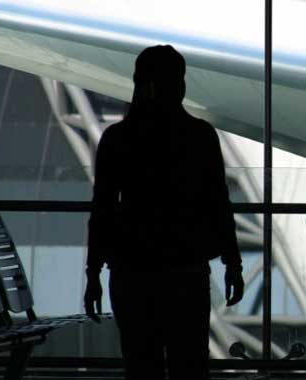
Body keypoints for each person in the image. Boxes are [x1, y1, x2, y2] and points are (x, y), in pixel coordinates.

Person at [84, 45, 245, 380]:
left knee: (142, 363)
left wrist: (94, 271)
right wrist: (232, 262)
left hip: (133, 268)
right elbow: (218, 201)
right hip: (186, 268)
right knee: (191, 362)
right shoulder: (200, 135)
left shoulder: (117, 138)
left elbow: (102, 208)